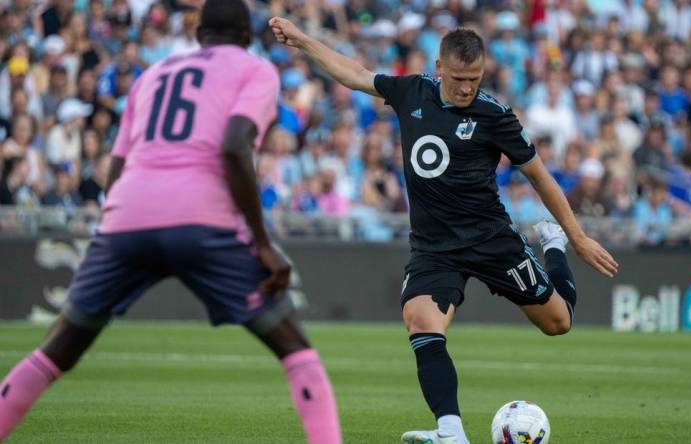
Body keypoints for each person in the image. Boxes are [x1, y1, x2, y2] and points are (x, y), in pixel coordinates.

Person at [0, 2, 342, 443]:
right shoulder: (254, 70)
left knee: (58, 348)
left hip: (127, 217)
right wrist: (261, 242)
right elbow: (236, 145)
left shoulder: (152, 76)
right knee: (295, 349)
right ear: (246, 36)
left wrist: (111, 231)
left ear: (199, 35)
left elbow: (117, 167)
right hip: (202, 221)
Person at [270, 17, 618, 444]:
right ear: (439, 67)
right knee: (421, 323)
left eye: (474, 78)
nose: (466, 88)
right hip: (434, 247)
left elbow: (540, 177)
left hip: (490, 239)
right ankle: (450, 432)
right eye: (457, 78)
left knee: (558, 323)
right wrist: (304, 40)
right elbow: (355, 73)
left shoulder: (495, 115)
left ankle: (555, 247)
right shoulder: (412, 91)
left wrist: (577, 237)